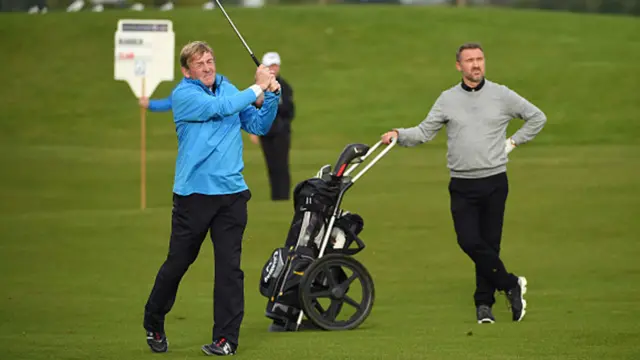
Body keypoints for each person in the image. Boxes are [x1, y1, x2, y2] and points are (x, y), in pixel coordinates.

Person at [380, 42, 547, 324]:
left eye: (480, 59)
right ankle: (510, 284)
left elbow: (537, 117)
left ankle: (484, 305)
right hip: (462, 184)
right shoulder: (447, 99)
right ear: (459, 66)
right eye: (469, 60)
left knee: (490, 246)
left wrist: (514, 141)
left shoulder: (501, 95)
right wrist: (398, 133)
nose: (476, 65)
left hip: (494, 182)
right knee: (469, 241)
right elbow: (423, 132)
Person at [142, 40, 281, 356]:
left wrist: (271, 94)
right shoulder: (184, 96)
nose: (207, 67)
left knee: (230, 269)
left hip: (231, 195)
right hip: (194, 196)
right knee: (178, 263)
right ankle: (153, 321)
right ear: (186, 70)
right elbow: (219, 109)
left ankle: (226, 339)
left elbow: (258, 123)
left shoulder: (230, 89)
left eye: (210, 60)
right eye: (199, 63)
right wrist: (257, 87)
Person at [249, 52, 296, 201]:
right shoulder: (258, 88)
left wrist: (274, 103)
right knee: (271, 166)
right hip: (265, 131)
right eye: (270, 66)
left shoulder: (285, 87)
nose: (273, 69)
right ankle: (276, 196)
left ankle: (284, 196)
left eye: (275, 66)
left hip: (281, 132)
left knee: (282, 164)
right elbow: (251, 110)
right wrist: (253, 131)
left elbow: (289, 111)